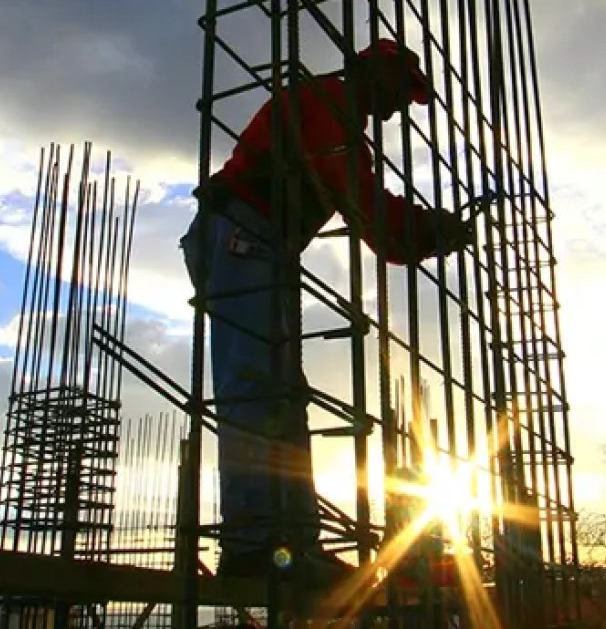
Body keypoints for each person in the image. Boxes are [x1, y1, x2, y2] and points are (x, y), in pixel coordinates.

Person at [179, 39, 473, 585]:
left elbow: (378, 225)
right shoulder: (324, 106)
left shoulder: (336, 118)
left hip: (261, 243)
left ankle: (290, 545)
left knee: (284, 399)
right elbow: (372, 214)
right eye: (396, 93)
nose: (394, 109)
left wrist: (430, 233)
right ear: (370, 74)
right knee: (255, 390)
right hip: (240, 235)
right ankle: (251, 545)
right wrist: (435, 230)